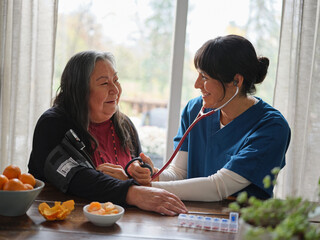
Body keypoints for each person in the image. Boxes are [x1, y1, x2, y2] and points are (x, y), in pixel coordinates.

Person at [28, 50, 187, 215]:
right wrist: (131, 192)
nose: (115, 90)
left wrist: (142, 171)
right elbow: (76, 177)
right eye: (104, 83)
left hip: (120, 223)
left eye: (116, 80)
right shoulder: (52, 124)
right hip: (62, 222)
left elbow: (135, 165)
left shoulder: (125, 125)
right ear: (80, 90)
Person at [135, 35, 291, 201]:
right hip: (193, 217)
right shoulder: (194, 109)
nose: (196, 84)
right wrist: (150, 175)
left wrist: (146, 188)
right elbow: (179, 173)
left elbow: (218, 186)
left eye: (204, 77)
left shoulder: (272, 127)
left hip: (242, 222)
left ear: (236, 81)